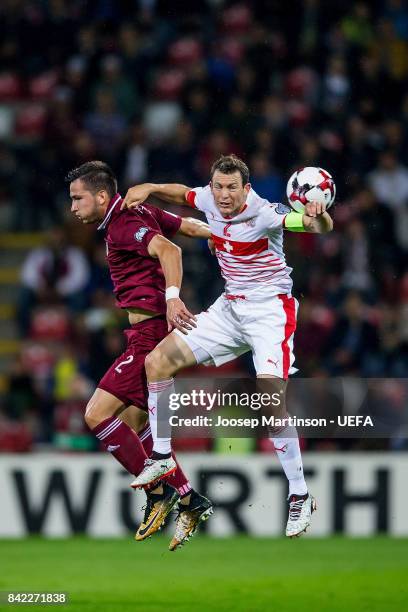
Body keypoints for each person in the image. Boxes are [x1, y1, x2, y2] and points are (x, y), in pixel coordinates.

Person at [121, 154, 334, 546]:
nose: (223, 195)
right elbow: (182, 194)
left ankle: (300, 494)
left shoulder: (265, 213)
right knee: (157, 362)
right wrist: (150, 187)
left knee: (271, 401)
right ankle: (163, 455)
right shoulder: (208, 198)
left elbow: (313, 225)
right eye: (218, 186)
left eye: (231, 187)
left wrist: (319, 214)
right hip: (230, 307)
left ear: (246, 189)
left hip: (270, 310)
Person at [67, 160, 213, 549]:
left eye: (77, 198)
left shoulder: (123, 225)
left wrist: (171, 297)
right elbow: (190, 227)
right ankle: (188, 498)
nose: (73, 207)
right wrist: (228, 237)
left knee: (96, 414)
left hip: (148, 334)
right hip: (143, 332)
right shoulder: (139, 211)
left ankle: (157, 494)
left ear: (101, 196)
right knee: (135, 421)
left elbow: (171, 250)